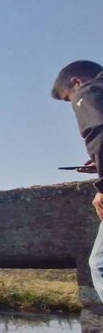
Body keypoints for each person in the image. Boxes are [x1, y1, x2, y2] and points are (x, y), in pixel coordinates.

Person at [52, 60, 103, 302]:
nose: (71, 103)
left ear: (76, 82)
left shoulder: (89, 91)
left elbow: (99, 130)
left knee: (101, 263)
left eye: (67, 98)